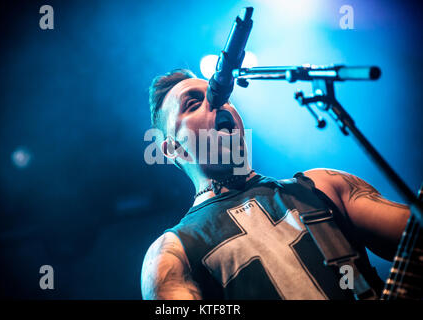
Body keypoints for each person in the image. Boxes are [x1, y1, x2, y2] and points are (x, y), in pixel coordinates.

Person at [140, 69, 410, 300]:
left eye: (221, 95)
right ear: (172, 148)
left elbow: (413, 241)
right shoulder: (172, 253)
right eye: (193, 103)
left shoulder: (323, 186)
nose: (216, 100)